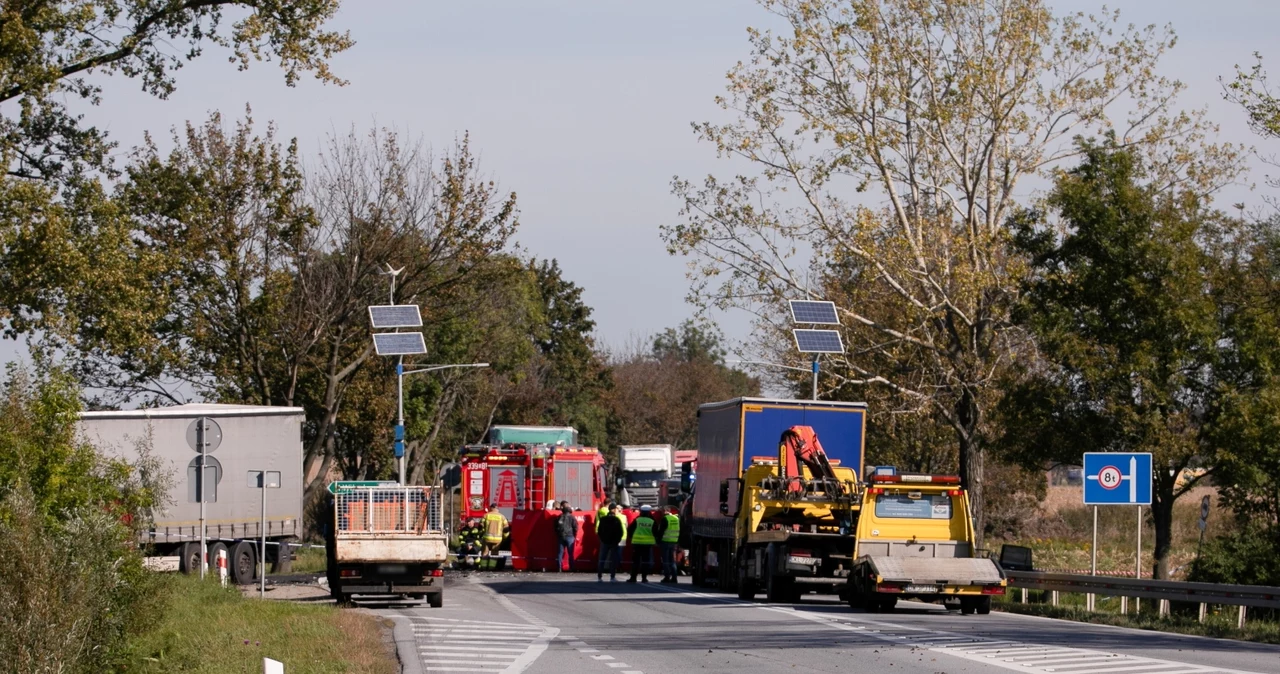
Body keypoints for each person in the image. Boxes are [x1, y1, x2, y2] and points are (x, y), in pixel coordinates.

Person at [626, 504, 657, 583]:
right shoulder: (652, 521)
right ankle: (644, 578)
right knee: (645, 561)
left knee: (636, 561)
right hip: (648, 544)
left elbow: (630, 529)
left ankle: (633, 578)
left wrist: (631, 537)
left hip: (637, 543)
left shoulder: (637, 520)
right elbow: (656, 532)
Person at [596, 503, 624, 582]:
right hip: (614, 542)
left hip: (604, 542)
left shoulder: (603, 519)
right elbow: (620, 532)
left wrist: (602, 539)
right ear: (614, 510)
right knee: (613, 560)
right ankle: (612, 577)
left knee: (602, 559)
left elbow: (599, 531)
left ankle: (599, 576)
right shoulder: (616, 520)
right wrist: (617, 540)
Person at [658, 505, 681, 583]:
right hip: (674, 542)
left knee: (666, 560)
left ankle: (667, 577)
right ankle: (674, 577)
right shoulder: (677, 518)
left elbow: (661, 531)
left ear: (665, 511)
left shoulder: (665, 519)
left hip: (665, 541)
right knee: (672, 561)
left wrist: (658, 541)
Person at [481, 504, 508, 569]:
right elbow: (506, 529)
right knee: (494, 553)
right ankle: (491, 567)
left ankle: (483, 567)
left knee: (485, 552)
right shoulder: (502, 517)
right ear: (497, 508)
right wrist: (504, 538)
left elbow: (481, 526)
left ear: (491, 508)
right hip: (498, 539)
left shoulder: (486, 515)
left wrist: (483, 533)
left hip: (487, 538)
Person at [555, 503, 579, 572]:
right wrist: (574, 534)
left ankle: (559, 567)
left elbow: (555, 526)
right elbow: (575, 527)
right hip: (570, 536)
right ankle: (571, 567)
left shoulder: (559, 517)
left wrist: (558, 534)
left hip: (561, 536)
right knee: (570, 553)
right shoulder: (572, 517)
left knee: (560, 553)